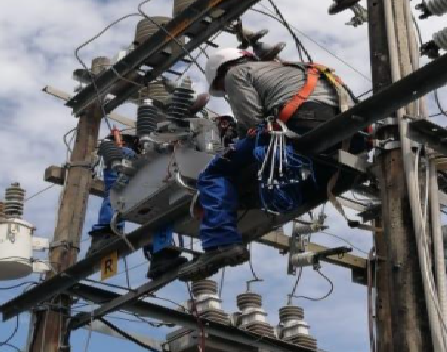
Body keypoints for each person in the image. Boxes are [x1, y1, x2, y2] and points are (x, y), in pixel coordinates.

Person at [175, 47, 352, 282]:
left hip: (300, 122)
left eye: (221, 85)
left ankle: (220, 244)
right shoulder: (290, 68)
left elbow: (252, 122)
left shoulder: (236, 73)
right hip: (349, 134)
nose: (225, 89)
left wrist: (233, 146)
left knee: (214, 174)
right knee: (293, 180)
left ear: (222, 71)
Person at [86, 133, 186, 279]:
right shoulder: (122, 153)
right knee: (123, 194)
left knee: (154, 207)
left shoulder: (138, 158)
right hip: (131, 184)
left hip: (145, 191)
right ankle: (158, 253)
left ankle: (160, 255)